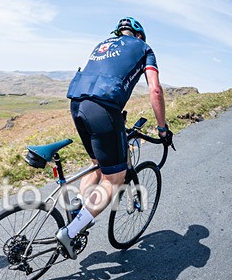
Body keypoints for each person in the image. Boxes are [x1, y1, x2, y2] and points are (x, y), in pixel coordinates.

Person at [57, 17, 171, 259]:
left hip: (77, 103)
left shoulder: (103, 44)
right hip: (103, 109)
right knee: (115, 178)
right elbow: (155, 89)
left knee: (98, 163)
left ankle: (78, 204)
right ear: (139, 36)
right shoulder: (144, 48)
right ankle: (70, 232)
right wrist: (162, 129)